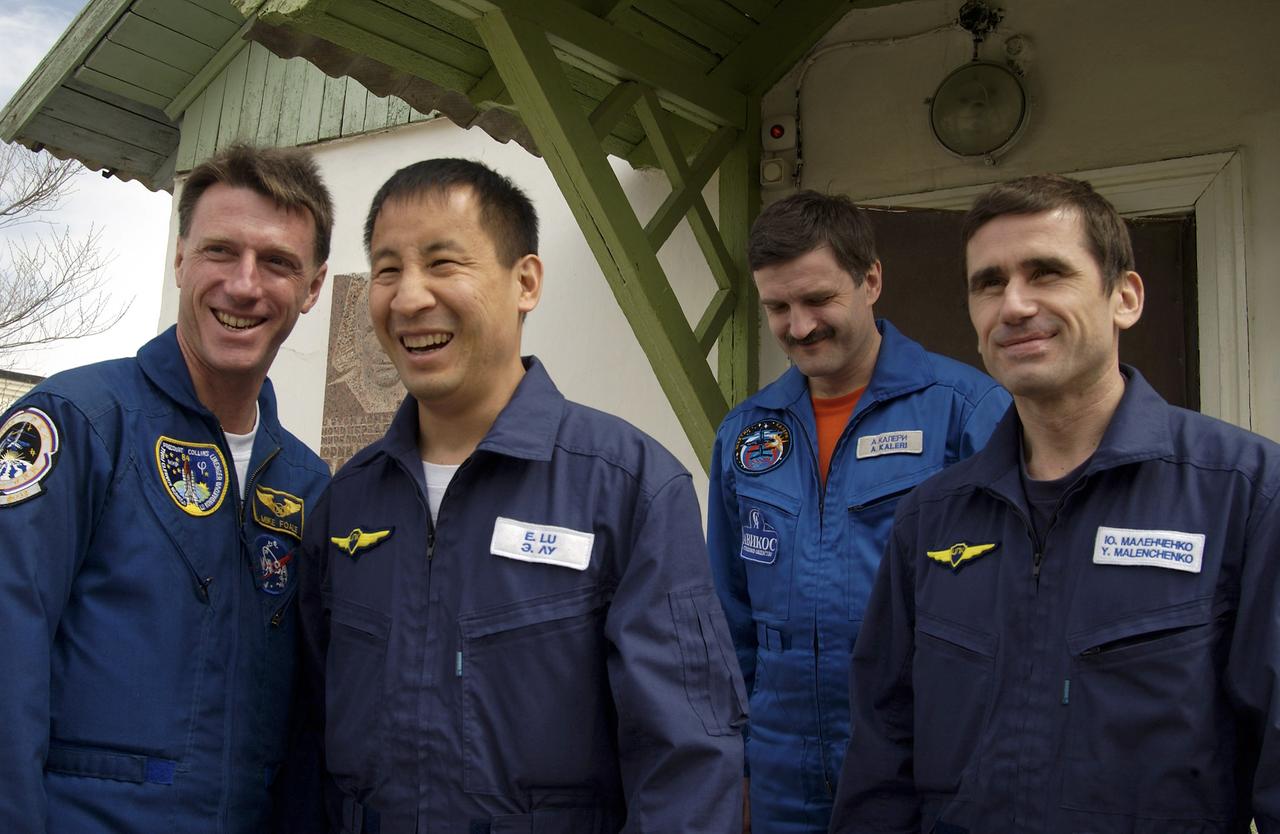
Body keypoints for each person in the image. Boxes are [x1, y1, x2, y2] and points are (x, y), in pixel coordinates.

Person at [290, 158, 747, 833]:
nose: (410, 297)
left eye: (444, 263)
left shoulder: (628, 489)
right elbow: (307, 740)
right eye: (387, 270)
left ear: (525, 281)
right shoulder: (348, 504)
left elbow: (687, 764)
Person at [829, 174, 1280, 833]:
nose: (1013, 305)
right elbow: (881, 754)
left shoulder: (1241, 493)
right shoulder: (931, 520)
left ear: (1124, 297)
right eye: (989, 283)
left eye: (1047, 273)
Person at [0, 143, 333, 832]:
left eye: (277, 263)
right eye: (220, 251)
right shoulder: (80, 424)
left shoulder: (307, 484)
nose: (244, 285)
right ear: (179, 258)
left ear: (313, 286)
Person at [707, 191, 1010, 833]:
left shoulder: (965, 411)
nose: (799, 325)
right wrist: (733, 768)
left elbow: (1015, 615)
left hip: (919, 758)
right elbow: (728, 622)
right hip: (780, 767)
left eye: (818, 300)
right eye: (778, 307)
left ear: (871, 279)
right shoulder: (747, 432)